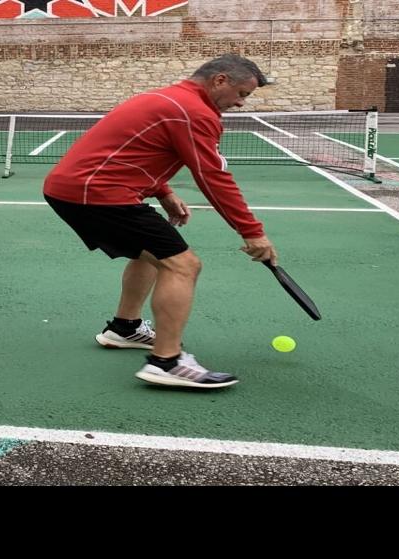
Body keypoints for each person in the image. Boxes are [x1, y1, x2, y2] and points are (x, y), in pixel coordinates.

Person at [43, 54, 277, 390]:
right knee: (183, 265)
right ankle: (166, 362)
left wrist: (163, 191)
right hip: (98, 193)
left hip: (76, 189)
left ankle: (124, 328)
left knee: (152, 254)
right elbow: (212, 176)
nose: (240, 103)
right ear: (220, 80)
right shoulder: (194, 111)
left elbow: (131, 149)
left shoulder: (164, 97)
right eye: (242, 94)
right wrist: (252, 232)